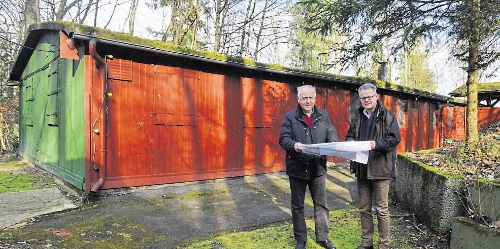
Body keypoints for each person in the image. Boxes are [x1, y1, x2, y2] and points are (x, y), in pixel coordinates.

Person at [279, 85, 338, 249]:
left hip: (317, 168)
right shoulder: (290, 117)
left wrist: (333, 141)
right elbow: (283, 138)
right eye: (304, 98)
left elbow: (331, 131)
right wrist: (294, 145)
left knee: (321, 204)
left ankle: (323, 238)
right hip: (297, 168)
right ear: (298, 99)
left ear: (315, 99)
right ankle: (301, 239)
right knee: (298, 206)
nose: (308, 101)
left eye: (310, 97)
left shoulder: (323, 115)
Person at [345, 83, 401, 249]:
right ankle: (366, 243)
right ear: (360, 99)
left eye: (369, 97)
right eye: (363, 98)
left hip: (380, 169)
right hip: (362, 168)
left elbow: (394, 139)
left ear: (376, 96)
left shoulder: (388, 116)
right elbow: (349, 135)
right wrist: (350, 142)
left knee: (382, 209)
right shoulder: (358, 117)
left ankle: (384, 245)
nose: (367, 100)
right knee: (364, 208)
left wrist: (375, 144)